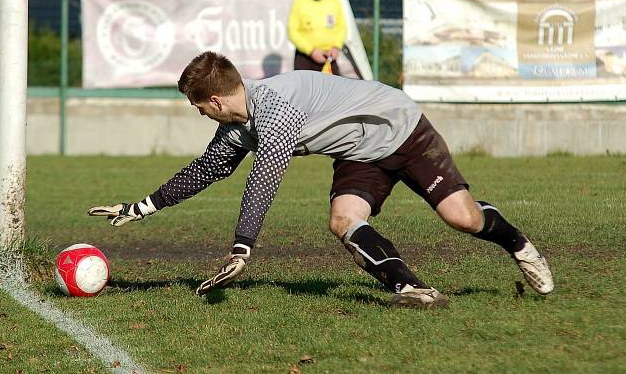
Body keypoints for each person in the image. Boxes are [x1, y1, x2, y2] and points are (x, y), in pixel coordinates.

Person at [88, 52, 553, 306]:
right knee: (343, 220)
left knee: (462, 217)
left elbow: (266, 176)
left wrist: (242, 246)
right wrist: (142, 206)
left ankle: (518, 244)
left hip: (401, 130)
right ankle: (409, 287)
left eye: (195, 104)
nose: (195, 112)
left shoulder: (276, 107)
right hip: (358, 153)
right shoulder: (236, 127)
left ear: (212, 100)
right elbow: (207, 169)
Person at [287, 0, 347, 75]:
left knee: (335, 91)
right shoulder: (300, 2)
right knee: (305, 92)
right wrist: (311, 51)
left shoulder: (334, 1)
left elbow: (342, 27)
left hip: (329, 57)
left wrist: (336, 47)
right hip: (306, 58)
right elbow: (292, 32)